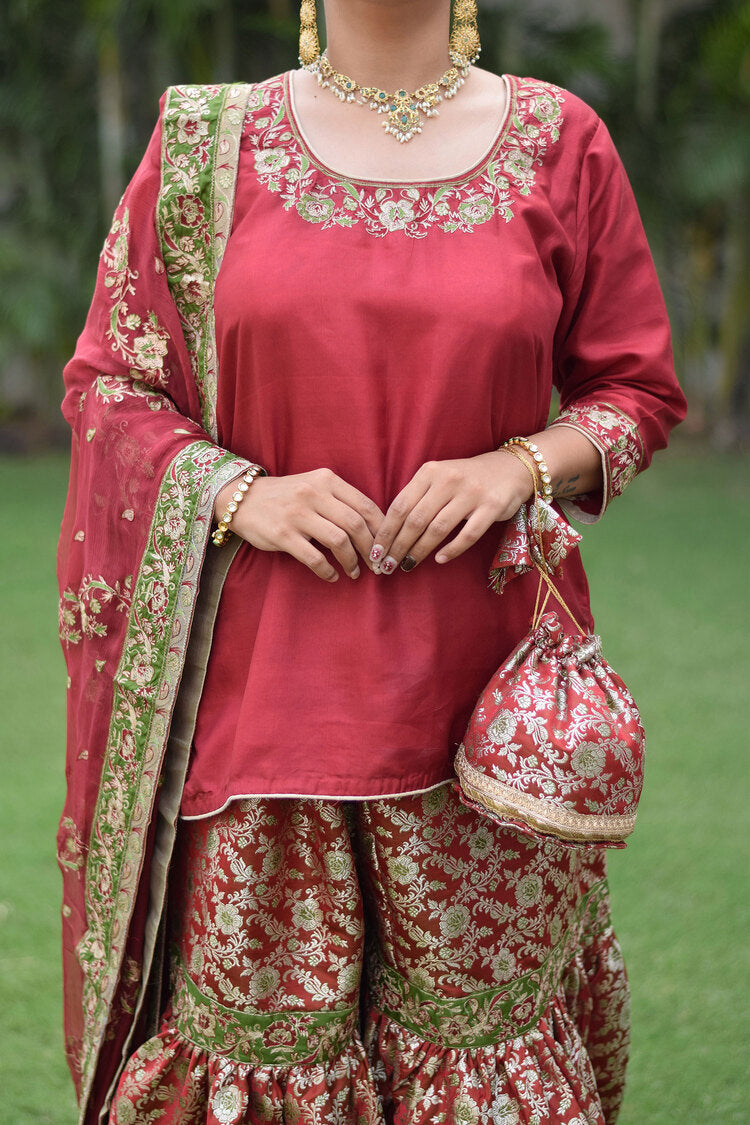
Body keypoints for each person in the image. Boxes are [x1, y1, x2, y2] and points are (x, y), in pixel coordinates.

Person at [56, 1, 687, 1122]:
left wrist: (520, 468)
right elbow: (111, 385)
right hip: (261, 711)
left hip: (485, 713)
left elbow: (635, 391)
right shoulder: (206, 143)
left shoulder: (559, 137)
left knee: (484, 1053)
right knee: (262, 1054)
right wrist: (240, 491)